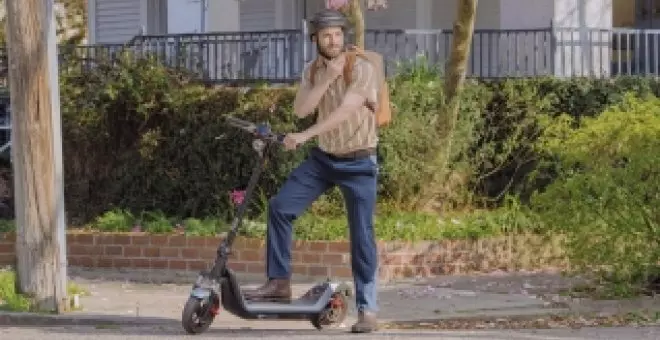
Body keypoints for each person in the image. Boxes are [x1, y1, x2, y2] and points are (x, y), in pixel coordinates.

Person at [243, 8, 381, 334]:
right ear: (315, 40)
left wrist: (305, 136)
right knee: (280, 207)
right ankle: (279, 282)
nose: (333, 41)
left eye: (337, 35)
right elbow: (302, 108)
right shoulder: (313, 70)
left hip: (360, 162)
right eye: (326, 36)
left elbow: (347, 110)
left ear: (343, 37)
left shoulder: (362, 67)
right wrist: (326, 78)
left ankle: (368, 309)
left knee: (362, 237)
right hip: (324, 160)